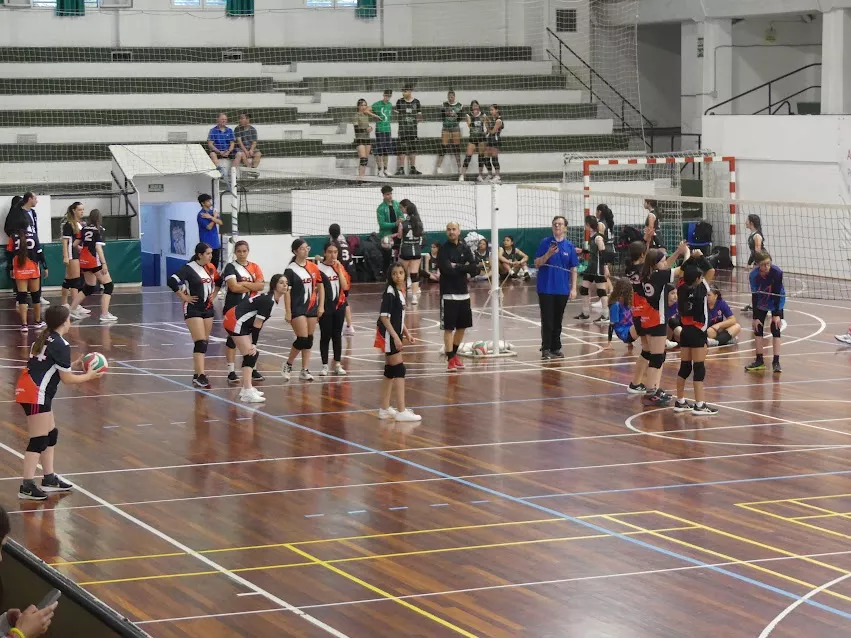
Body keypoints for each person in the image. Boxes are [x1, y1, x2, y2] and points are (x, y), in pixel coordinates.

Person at [15, 306, 105, 500]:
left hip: (32, 389)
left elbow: (47, 366)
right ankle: (26, 486)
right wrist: (89, 376)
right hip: (35, 393)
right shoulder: (61, 343)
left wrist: (72, 366)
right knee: (38, 439)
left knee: (50, 434)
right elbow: (67, 379)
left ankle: (49, 479)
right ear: (65, 322)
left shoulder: (43, 338)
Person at [626, 240, 690, 405]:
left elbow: (665, 266)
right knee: (657, 356)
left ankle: (650, 388)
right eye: (662, 260)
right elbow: (682, 270)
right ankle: (651, 391)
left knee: (652, 354)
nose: (665, 262)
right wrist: (686, 253)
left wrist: (677, 252)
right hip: (656, 318)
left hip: (645, 317)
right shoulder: (658, 276)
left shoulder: (646, 274)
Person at [223, 274, 288, 403]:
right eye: (281, 282)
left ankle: (246, 389)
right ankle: (247, 391)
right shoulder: (269, 301)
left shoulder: (273, 299)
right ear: (274, 285)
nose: (285, 285)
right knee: (251, 354)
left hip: (239, 320)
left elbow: (257, 322)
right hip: (235, 320)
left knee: (251, 354)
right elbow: (257, 324)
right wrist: (254, 343)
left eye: (286, 283)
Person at [167, 242, 222, 389]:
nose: (211, 256)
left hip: (208, 308)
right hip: (193, 308)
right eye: (208, 254)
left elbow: (219, 281)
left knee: (204, 342)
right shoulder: (188, 268)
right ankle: (201, 375)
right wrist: (183, 296)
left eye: (211, 253)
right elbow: (171, 281)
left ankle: (197, 374)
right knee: (200, 342)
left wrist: (214, 294)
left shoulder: (211, 267)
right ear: (199, 255)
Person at [375, 262, 420, 422]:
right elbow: (384, 318)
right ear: (390, 275)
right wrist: (395, 337)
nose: (398, 276)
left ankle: (384, 408)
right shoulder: (390, 293)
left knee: (390, 371)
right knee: (399, 369)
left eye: (401, 273)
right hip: (388, 335)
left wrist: (406, 334)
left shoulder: (399, 292)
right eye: (394, 273)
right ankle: (401, 410)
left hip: (393, 334)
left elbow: (398, 317)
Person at [534, 215, 579, 360]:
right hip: (546, 288)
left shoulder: (569, 246)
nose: (557, 226)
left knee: (558, 320)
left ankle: (555, 347)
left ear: (565, 228)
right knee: (547, 320)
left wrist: (573, 288)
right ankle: (546, 348)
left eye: (560, 224)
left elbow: (573, 268)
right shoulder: (545, 243)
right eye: (555, 224)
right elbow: (537, 263)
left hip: (562, 289)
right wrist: (548, 254)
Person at [221, 240, 265, 385]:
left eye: (244, 251)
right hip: (233, 308)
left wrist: (244, 284)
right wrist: (252, 285)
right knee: (232, 340)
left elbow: (260, 286)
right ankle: (231, 371)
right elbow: (233, 287)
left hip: (250, 309)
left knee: (250, 339)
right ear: (235, 252)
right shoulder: (230, 267)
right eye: (239, 251)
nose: (242, 254)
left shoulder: (254, 266)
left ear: (248, 251)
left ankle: (252, 368)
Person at [438, 222, 478, 372]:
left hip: (464, 293)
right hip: (449, 294)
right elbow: (447, 270)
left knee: (462, 327)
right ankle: (450, 359)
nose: (451, 232)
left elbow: (474, 268)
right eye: (448, 229)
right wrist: (463, 267)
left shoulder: (465, 247)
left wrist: (458, 266)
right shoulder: (443, 249)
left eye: (454, 229)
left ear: (459, 231)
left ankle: (454, 354)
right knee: (449, 328)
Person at [283, 238, 324, 382]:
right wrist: (288, 311)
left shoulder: (313, 267)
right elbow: (286, 292)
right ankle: (288, 364)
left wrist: (321, 305)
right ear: (295, 251)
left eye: (307, 248)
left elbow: (320, 286)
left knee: (309, 340)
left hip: (311, 306)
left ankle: (304, 370)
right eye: (302, 248)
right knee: (302, 338)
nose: (306, 251)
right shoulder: (290, 270)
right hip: (297, 307)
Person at [68, 209, 117, 322]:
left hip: (84, 261)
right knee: (109, 286)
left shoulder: (84, 228)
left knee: (89, 287)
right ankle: (104, 314)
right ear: (99, 218)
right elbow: (98, 248)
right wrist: (104, 264)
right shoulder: (99, 230)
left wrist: (82, 249)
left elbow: (74, 244)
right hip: (94, 261)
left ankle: (72, 309)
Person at [746, 251, 784, 374]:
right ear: (758, 264)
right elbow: (755, 296)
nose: (767, 266)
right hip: (762, 300)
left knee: (775, 327)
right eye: (763, 264)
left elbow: (777, 293)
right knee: (758, 327)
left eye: (768, 263)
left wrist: (776, 314)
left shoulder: (777, 272)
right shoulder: (753, 275)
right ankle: (759, 361)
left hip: (776, 300)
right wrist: (755, 317)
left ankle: (776, 362)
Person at [317, 242, 350, 376]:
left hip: (339, 305)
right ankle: (325, 365)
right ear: (325, 253)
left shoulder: (340, 267)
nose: (333, 255)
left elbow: (345, 286)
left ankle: (337, 364)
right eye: (330, 252)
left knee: (337, 335)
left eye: (335, 252)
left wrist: (339, 269)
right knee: (325, 335)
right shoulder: (318, 268)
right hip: (325, 306)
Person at [9, 222, 47, 333]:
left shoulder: (13, 237)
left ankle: (24, 325)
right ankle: (37, 322)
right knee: (36, 296)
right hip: (32, 268)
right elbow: (39, 252)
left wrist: (11, 269)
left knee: (22, 297)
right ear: (28, 226)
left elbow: (11, 255)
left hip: (19, 269)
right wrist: (45, 267)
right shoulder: (34, 235)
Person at [576, 215, 609, 323]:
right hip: (591, 266)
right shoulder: (591, 236)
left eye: (585, 224)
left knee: (601, 291)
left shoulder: (598, 238)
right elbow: (594, 252)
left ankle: (605, 315)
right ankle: (585, 313)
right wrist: (582, 251)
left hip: (598, 267)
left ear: (588, 225)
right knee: (583, 289)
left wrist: (606, 268)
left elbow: (603, 253)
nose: (584, 226)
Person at [329, 223, 356, 336]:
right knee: (344, 300)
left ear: (330, 233)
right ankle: (349, 326)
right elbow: (350, 261)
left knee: (338, 300)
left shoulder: (332, 245)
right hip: (347, 274)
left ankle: (339, 326)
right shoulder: (345, 243)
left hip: (338, 274)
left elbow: (330, 261)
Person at [398, 199, 424, 305]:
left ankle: (402, 297)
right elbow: (422, 236)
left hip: (406, 250)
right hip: (416, 251)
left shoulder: (403, 224)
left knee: (402, 274)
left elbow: (399, 236)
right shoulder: (419, 223)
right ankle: (414, 297)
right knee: (414, 275)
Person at [60, 202, 85, 311]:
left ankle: (64, 302)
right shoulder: (68, 224)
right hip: (71, 254)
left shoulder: (79, 224)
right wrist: (66, 256)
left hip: (77, 252)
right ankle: (75, 306)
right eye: (79, 210)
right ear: (74, 210)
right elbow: (65, 242)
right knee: (75, 280)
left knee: (68, 279)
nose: (82, 212)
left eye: (83, 210)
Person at [394, 86, 423, 176]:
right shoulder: (399, 102)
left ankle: (413, 168)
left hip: (413, 130)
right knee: (401, 149)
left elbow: (420, 117)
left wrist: (415, 121)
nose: (403, 93)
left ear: (410, 91)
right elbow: (396, 115)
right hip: (402, 130)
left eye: (405, 91)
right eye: (402, 91)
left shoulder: (416, 102)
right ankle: (401, 169)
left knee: (412, 149)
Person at [459, 100, 488, 182]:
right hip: (473, 138)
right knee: (468, 156)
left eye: (476, 105)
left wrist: (486, 133)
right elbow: (469, 125)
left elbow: (487, 126)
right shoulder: (468, 115)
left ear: (478, 106)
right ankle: (462, 175)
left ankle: (480, 175)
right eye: (473, 105)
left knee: (481, 157)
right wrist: (475, 117)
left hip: (481, 138)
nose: (475, 106)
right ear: (471, 107)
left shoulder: (483, 115)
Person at [605, 277, 638, 350]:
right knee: (643, 324)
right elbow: (612, 324)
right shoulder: (616, 305)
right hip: (624, 333)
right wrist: (609, 343)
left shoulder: (628, 301)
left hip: (630, 330)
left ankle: (631, 342)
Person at [743, 214, 766, 312]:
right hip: (758, 261)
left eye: (747, 220)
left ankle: (762, 305)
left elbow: (757, 251)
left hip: (762, 261)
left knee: (759, 283)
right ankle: (755, 304)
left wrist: (750, 263)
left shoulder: (757, 236)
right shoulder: (753, 234)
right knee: (755, 282)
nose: (745, 222)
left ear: (751, 223)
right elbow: (754, 252)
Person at [436, 89, 463, 175]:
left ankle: (459, 168)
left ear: (454, 97)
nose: (450, 98)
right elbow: (441, 116)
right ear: (447, 97)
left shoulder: (459, 105)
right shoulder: (444, 105)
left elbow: (460, 118)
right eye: (449, 97)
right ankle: (438, 167)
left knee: (456, 148)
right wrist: (448, 114)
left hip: (455, 128)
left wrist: (455, 115)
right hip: (446, 128)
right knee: (443, 147)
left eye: (452, 97)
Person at [376, 185, 403, 269]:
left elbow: (402, 216)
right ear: (383, 195)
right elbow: (382, 224)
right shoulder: (380, 208)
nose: (390, 196)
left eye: (391, 194)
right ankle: (386, 272)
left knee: (401, 254)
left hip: (398, 234)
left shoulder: (397, 204)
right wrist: (395, 224)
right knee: (387, 256)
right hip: (387, 235)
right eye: (387, 194)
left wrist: (401, 220)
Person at [352, 98, 380, 178]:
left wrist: (370, 127)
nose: (364, 107)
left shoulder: (366, 115)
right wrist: (366, 129)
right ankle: (360, 178)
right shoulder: (356, 116)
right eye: (362, 105)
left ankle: (362, 177)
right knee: (363, 158)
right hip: (360, 139)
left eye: (365, 105)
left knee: (365, 160)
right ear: (358, 106)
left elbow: (368, 126)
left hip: (367, 139)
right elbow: (356, 129)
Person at [371, 89, 395, 177]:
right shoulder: (377, 104)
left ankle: (385, 169)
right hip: (380, 130)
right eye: (386, 95)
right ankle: (379, 170)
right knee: (379, 150)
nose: (387, 97)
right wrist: (375, 115)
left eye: (389, 96)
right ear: (383, 95)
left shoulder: (390, 105)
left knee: (386, 151)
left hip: (388, 130)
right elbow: (366, 110)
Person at [197, 194, 223, 271]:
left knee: (215, 266)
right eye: (208, 201)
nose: (210, 202)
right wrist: (214, 217)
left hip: (215, 244)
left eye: (210, 200)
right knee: (207, 267)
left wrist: (211, 217)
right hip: (206, 244)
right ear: (202, 203)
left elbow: (220, 222)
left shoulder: (212, 212)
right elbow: (209, 227)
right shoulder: (201, 214)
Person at [207, 112, 236, 179]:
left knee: (238, 154)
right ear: (218, 120)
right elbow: (210, 144)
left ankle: (232, 174)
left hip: (228, 152)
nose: (224, 121)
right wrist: (219, 152)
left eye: (225, 119)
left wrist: (228, 151)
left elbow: (232, 143)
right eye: (222, 119)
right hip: (218, 152)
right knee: (212, 154)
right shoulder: (213, 131)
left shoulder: (230, 130)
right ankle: (220, 172)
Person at [484, 104, 504, 183]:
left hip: (495, 140)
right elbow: (488, 132)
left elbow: (492, 131)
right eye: (490, 110)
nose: (491, 111)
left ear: (497, 110)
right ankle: (490, 174)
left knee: (494, 159)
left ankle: (497, 176)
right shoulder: (492, 119)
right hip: (490, 140)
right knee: (486, 158)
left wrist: (486, 125)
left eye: (492, 110)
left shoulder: (498, 120)